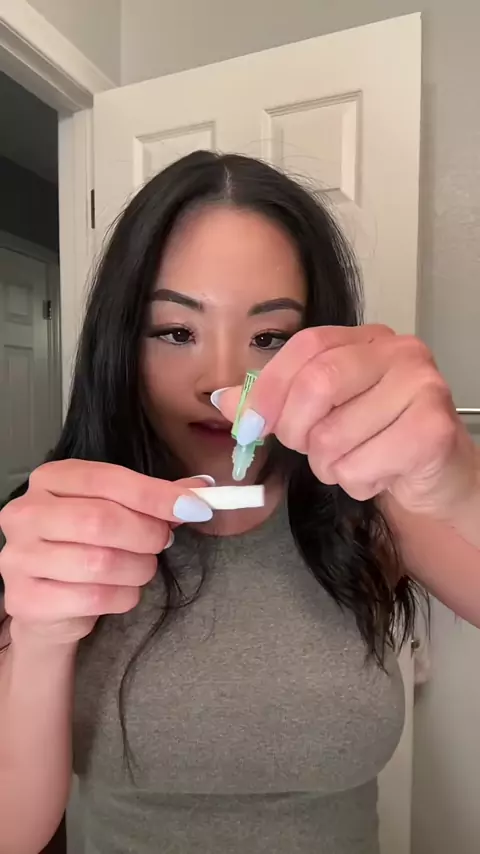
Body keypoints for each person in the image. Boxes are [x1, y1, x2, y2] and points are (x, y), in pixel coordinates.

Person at [1, 151, 479, 854]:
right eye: (175, 332)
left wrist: (462, 482)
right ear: (120, 343)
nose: (222, 381)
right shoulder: (49, 533)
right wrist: (41, 637)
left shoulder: (368, 501)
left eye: (269, 338)